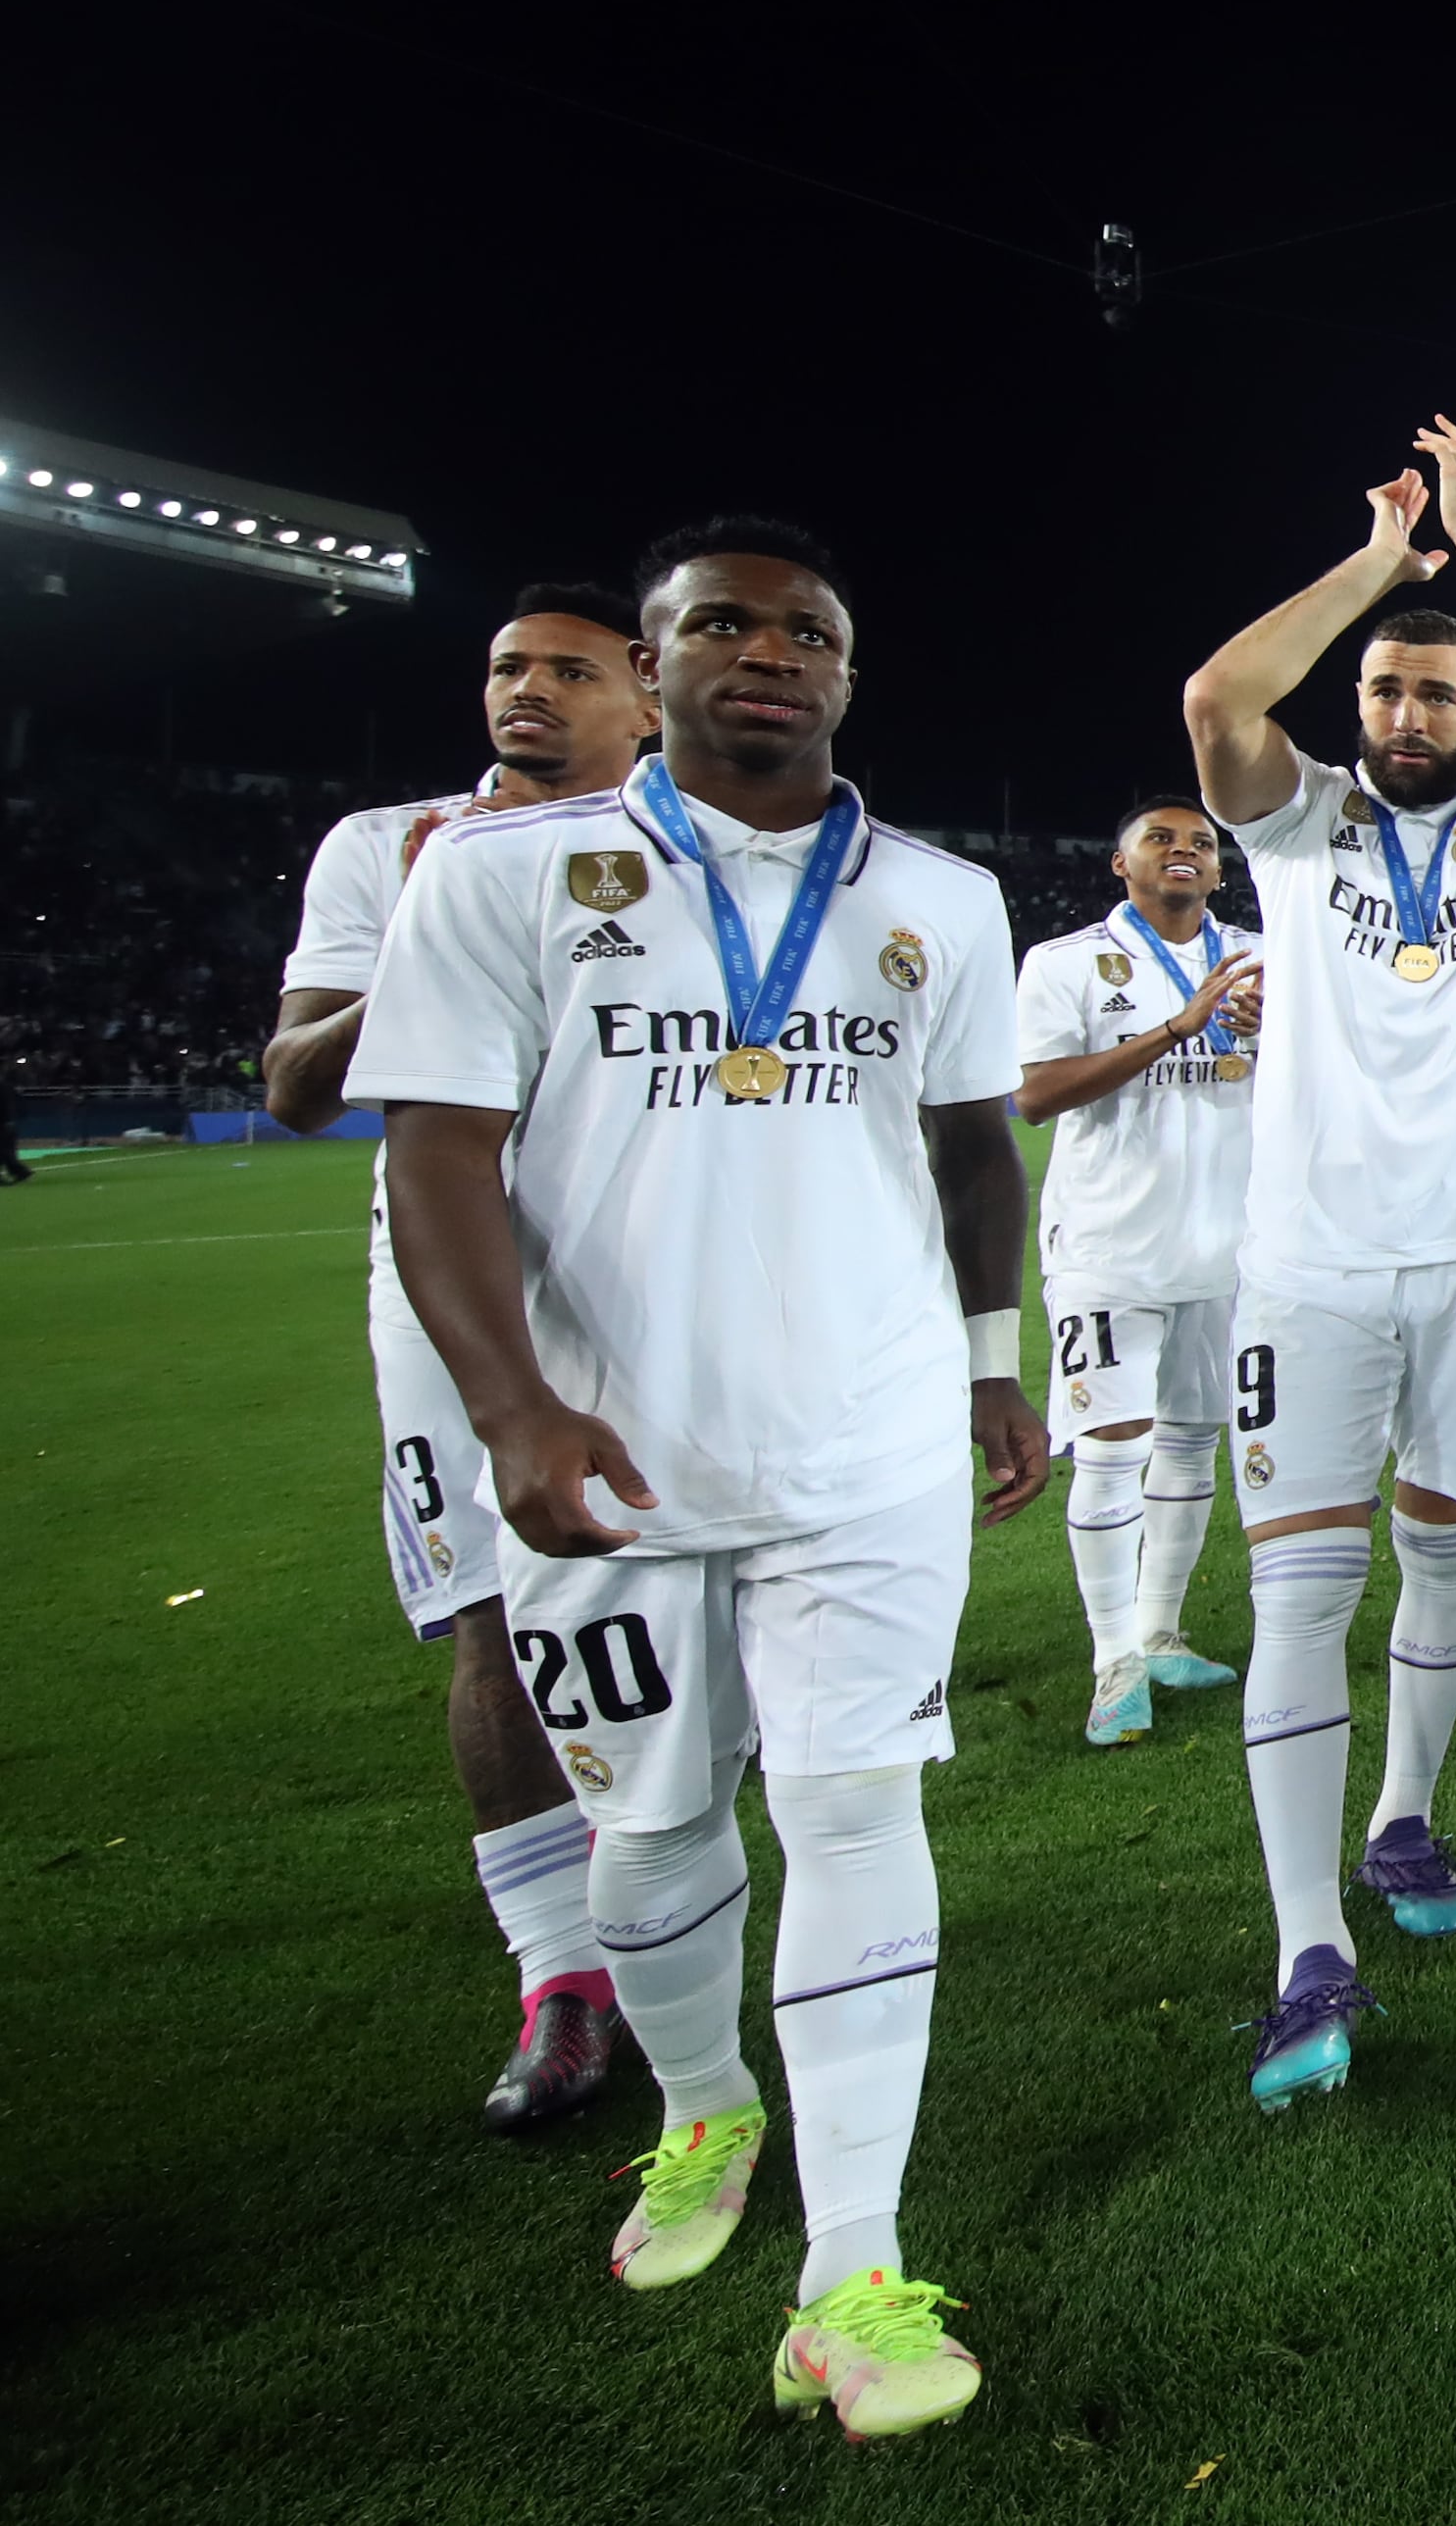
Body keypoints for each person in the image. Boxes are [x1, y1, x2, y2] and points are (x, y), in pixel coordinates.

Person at [354, 520, 1039, 2439]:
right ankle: (703, 2108)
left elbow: (976, 1149)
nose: (768, 648)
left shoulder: (940, 896)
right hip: (610, 1453)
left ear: (846, 668)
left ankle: (855, 2266)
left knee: (853, 1812)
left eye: (807, 626)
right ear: (652, 667)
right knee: (652, 1835)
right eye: (718, 621)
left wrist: (991, 1368)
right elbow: (435, 1154)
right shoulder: (500, 876)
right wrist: (509, 1411)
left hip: (868, 1445)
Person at [1181, 422, 1456, 2108]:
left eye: (1438, 695)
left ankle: (1403, 1811)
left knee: (1443, 1558)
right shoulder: (1299, 832)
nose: (1408, 717)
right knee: (1300, 1587)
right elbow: (1220, 704)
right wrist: (1378, 566)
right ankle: (1307, 1948)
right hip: (1310, 1260)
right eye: (1383, 694)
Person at [264, 579, 656, 2134]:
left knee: (698, 1587)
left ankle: (679, 1905)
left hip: (655, 1259)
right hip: (453, 1280)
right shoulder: (387, 847)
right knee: (495, 1612)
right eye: (509, 668)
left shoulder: (699, 841)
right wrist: (434, 930)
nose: (528, 691)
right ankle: (560, 1978)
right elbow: (295, 1084)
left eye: (569, 668)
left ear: (641, 692)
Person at [1013, 801, 1260, 1745]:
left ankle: (1160, 1631)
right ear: (1121, 862)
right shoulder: (1064, 962)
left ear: (1222, 870)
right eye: (1162, 838)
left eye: (1202, 841)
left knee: (1196, 1441)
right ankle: (1112, 1656)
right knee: (1116, 1446)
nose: (1185, 850)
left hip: (1230, 1248)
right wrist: (1177, 1026)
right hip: (1110, 1247)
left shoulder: (1262, 954)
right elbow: (1033, 1095)